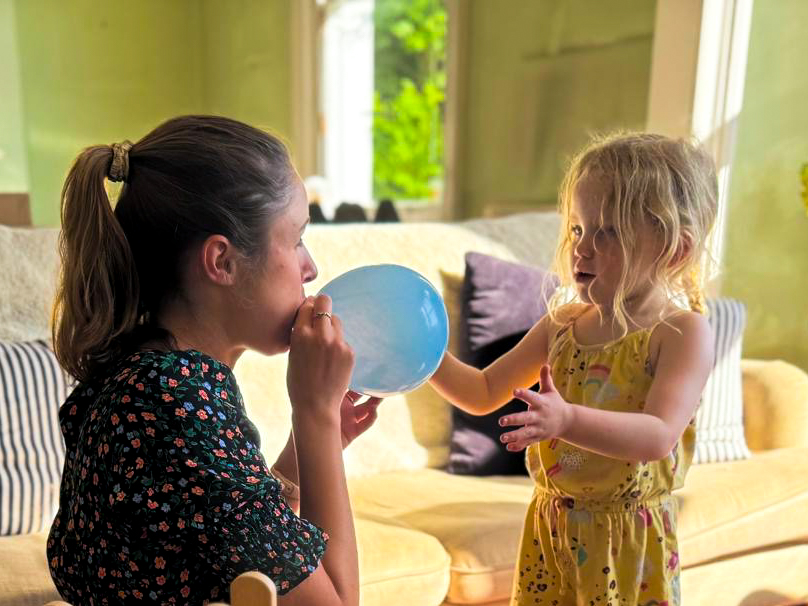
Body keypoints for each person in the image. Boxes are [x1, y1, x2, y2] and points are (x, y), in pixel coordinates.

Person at [47, 115, 381, 606]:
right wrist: (315, 417)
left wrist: (306, 446)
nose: (311, 268)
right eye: (295, 239)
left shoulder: (146, 378)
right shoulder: (176, 406)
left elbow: (244, 535)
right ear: (222, 261)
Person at [429, 132, 718, 605]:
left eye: (609, 233)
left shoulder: (682, 332)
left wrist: (566, 420)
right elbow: (482, 391)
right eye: (579, 229)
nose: (581, 248)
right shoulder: (561, 325)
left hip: (627, 543)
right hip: (550, 529)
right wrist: (423, 357)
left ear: (674, 250)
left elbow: (657, 434)